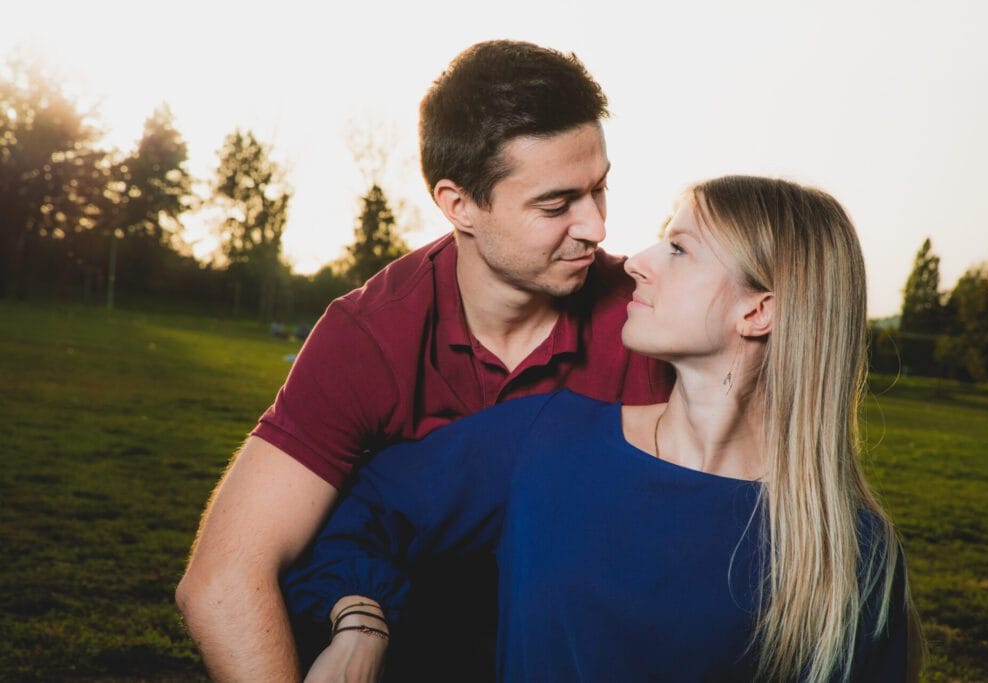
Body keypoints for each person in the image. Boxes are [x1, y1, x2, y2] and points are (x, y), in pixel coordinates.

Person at [285, 176, 924, 682]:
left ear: (758, 311)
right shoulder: (544, 439)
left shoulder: (851, 551)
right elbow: (356, 518)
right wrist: (362, 621)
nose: (637, 262)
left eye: (679, 250)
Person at [175, 40, 672, 681]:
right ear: (459, 204)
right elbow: (222, 580)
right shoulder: (368, 337)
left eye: (599, 189)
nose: (596, 226)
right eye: (556, 205)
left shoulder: (654, 320)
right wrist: (358, 619)